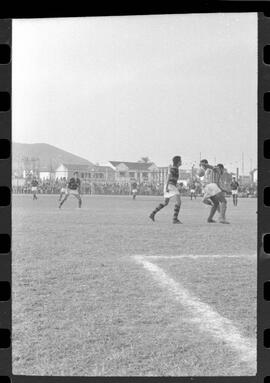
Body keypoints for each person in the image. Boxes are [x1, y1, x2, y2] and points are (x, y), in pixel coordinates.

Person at [149, 156, 182, 224]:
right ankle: (175, 219)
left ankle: (152, 214)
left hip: (170, 186)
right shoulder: (173, 169)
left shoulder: (175, 168)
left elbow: (173, 178)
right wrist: (167, 187)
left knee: (165, 202)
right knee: (178, 202)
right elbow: (168, 177)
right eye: (180, 161)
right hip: (170, 186)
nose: (181, 162)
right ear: (178, 162)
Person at [199, 160, 229, 224]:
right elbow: (212, 167)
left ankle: (209, 219)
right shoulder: (218, 169)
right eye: (223, 170)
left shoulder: (216, 174)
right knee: (224, 201)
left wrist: (224, 190)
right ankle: (222, 218)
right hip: (212, 186)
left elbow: (218, 186)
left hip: (208, 187)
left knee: (216, 203)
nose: (223, 171)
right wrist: (203, 164)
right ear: (222, 168)